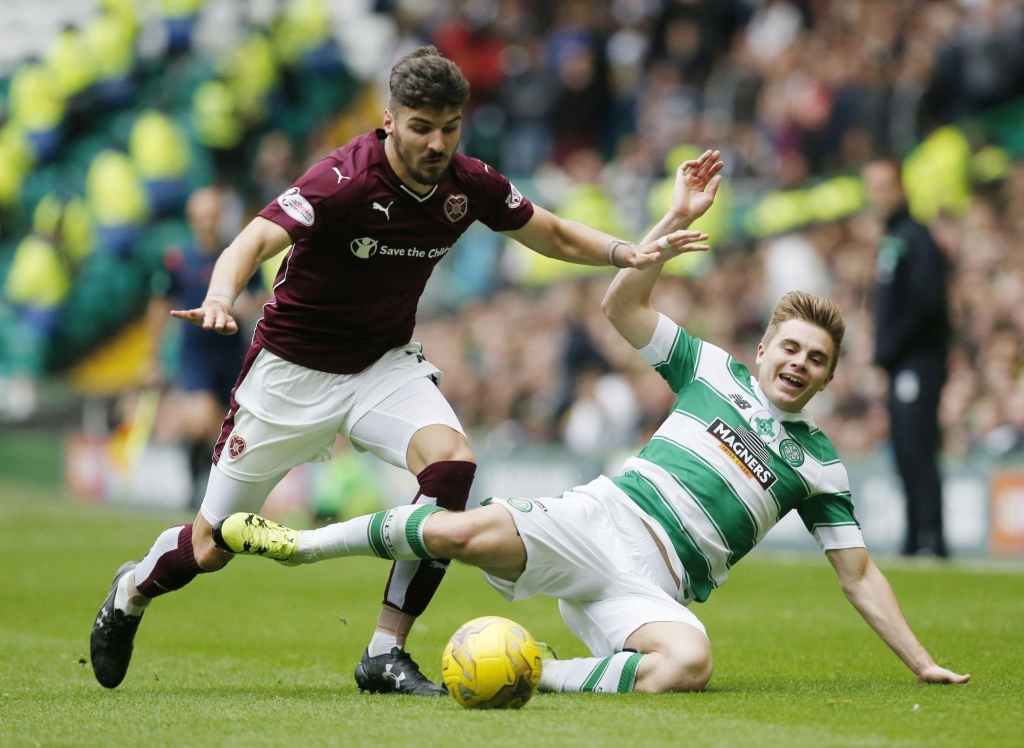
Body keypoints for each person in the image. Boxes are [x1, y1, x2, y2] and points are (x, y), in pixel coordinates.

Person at [208, 152, 969, 693]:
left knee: (688, 664)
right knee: (454, 529)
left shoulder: (821, 466)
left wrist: (920, 661)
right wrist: (672, 221)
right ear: (765, 348)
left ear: (829, 377)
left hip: (654, 586)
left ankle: (538, 673)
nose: (799, 363)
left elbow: (859, 576)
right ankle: (298, 546)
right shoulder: (711, 371)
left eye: (817, 359)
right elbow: (622, 307)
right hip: (601, 519)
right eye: (790, 347)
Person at [89, 46, 704, 694]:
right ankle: (130, 590)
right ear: (389, 120)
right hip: (291, 374)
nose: (437, 142)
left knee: (451, 468)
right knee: (210, 546)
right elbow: (252, 240)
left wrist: (622, 250)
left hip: (382, 366)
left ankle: (385, 650)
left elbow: (545, 231)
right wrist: (221, 297)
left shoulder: (468, 184)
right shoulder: (342, 179)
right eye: (421, 126)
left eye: (450, 127)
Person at [143, 187, 264, 504]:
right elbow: (159, 306)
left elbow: (263, 295)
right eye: (201, 217)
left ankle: (211, 491)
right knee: (200, 420)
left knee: (222, 427)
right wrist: (151, 357)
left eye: (212, 216)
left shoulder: (239, 253)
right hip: (195, 353)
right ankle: (194, 480)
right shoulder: (178, 259)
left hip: (231, 351)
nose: (206, 223)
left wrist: (247, 304)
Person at [862, 159, 951, 557]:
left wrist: (887, 348)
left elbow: (925, 302)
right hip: (901, 363)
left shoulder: (916, 237)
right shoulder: (893, 238)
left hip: (918, 361)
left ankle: (931, 537)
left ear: (901, 187)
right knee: (904, 448)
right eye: (872, 187)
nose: (877, 195)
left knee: (918, 447)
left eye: (883, 186)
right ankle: (916, 536)